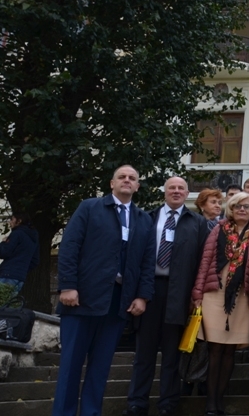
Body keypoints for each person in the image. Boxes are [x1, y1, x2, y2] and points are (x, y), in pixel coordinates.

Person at [53, 165, 156, 416]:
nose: (127, 181)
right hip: (81, 300)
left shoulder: (143, 219)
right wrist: (67, 286)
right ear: (112, 183)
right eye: (122, 177)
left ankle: (91, 412)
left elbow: (146, 262)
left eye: (132, 178)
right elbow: (69, 247)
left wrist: (143, 296)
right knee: (70, 367)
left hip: (117, 303)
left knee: (100, 368)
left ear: (137, 186)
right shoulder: (89, 207)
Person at [126, 177, 209, 416]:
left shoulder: (198, 223)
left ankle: (168, 404)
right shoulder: (147, 218)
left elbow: (203, 262)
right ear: (164, 191)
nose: (176, 191)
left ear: (187, 193)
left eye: (180, 188)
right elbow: (135, 256)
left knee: (173, 353)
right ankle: (136, 403)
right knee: (144, 353)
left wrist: (197, 293)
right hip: (149, 291)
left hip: (180, 293)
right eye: (171, 187)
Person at [192, 192, 249, 416]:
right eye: (237, 206)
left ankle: (220, 398)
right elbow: (205, 261)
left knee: (230, 350)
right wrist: (197, 294)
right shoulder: (218, 229)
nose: (242, 209)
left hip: (241, 297)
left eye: (246, 206)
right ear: (231, 209)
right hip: (214, 293)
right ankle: (210, 401)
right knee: (214, 349)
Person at [0, 212, 39, 296]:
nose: (10, 222)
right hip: (20, 277)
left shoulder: (17, 234)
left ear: (19, 221)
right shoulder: (33, 238)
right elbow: (35, 261)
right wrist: (21, 269)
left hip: (7, 274)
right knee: (9, 306)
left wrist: (3, 243)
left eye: (12, 219)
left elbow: (4, 252)